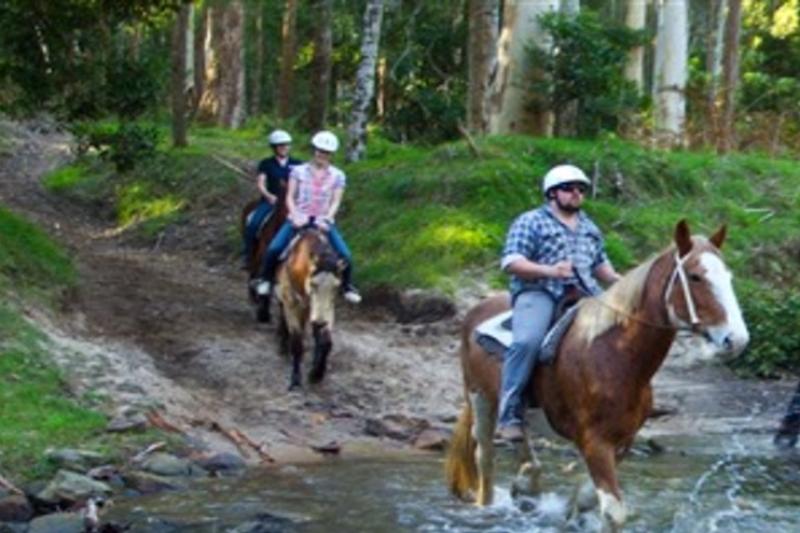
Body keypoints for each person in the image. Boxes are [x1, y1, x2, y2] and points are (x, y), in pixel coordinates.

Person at [497, 164, 622, 442]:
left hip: (586, 294)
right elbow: (511, 261)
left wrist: (622, 282)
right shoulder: (530, 221)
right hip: (540, 292)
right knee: (527, 341)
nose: (576, 194)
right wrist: (549, 271)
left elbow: (601, 266)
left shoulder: (590, 227)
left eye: (581, 189)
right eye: (569, 189)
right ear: (552, 193)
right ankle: (509, 414)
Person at [255, 130, 361, 304]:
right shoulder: (298, 171)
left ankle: (347, 286)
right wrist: (295, 215)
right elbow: (290, 196)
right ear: (314, 150)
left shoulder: (338, 175)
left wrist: (327, 218)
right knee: (274, 248)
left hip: (322, 220)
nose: (322, 155)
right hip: (299, 217)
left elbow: (336, 200)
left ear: (331, 154)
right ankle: (266, 280)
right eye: (319, 150)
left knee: (345, 254)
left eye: (326, 152)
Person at [241, 129, 303, 269]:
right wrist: (269, 196)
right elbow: (261, 182)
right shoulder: (266, 163)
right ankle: (248, 254)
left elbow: (302, 183)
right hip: (271, 201)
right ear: (274, 148)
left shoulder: (297, 164)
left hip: (291, 202)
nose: (284, 148)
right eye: (281, 146)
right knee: (253, 224)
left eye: (286, 145)